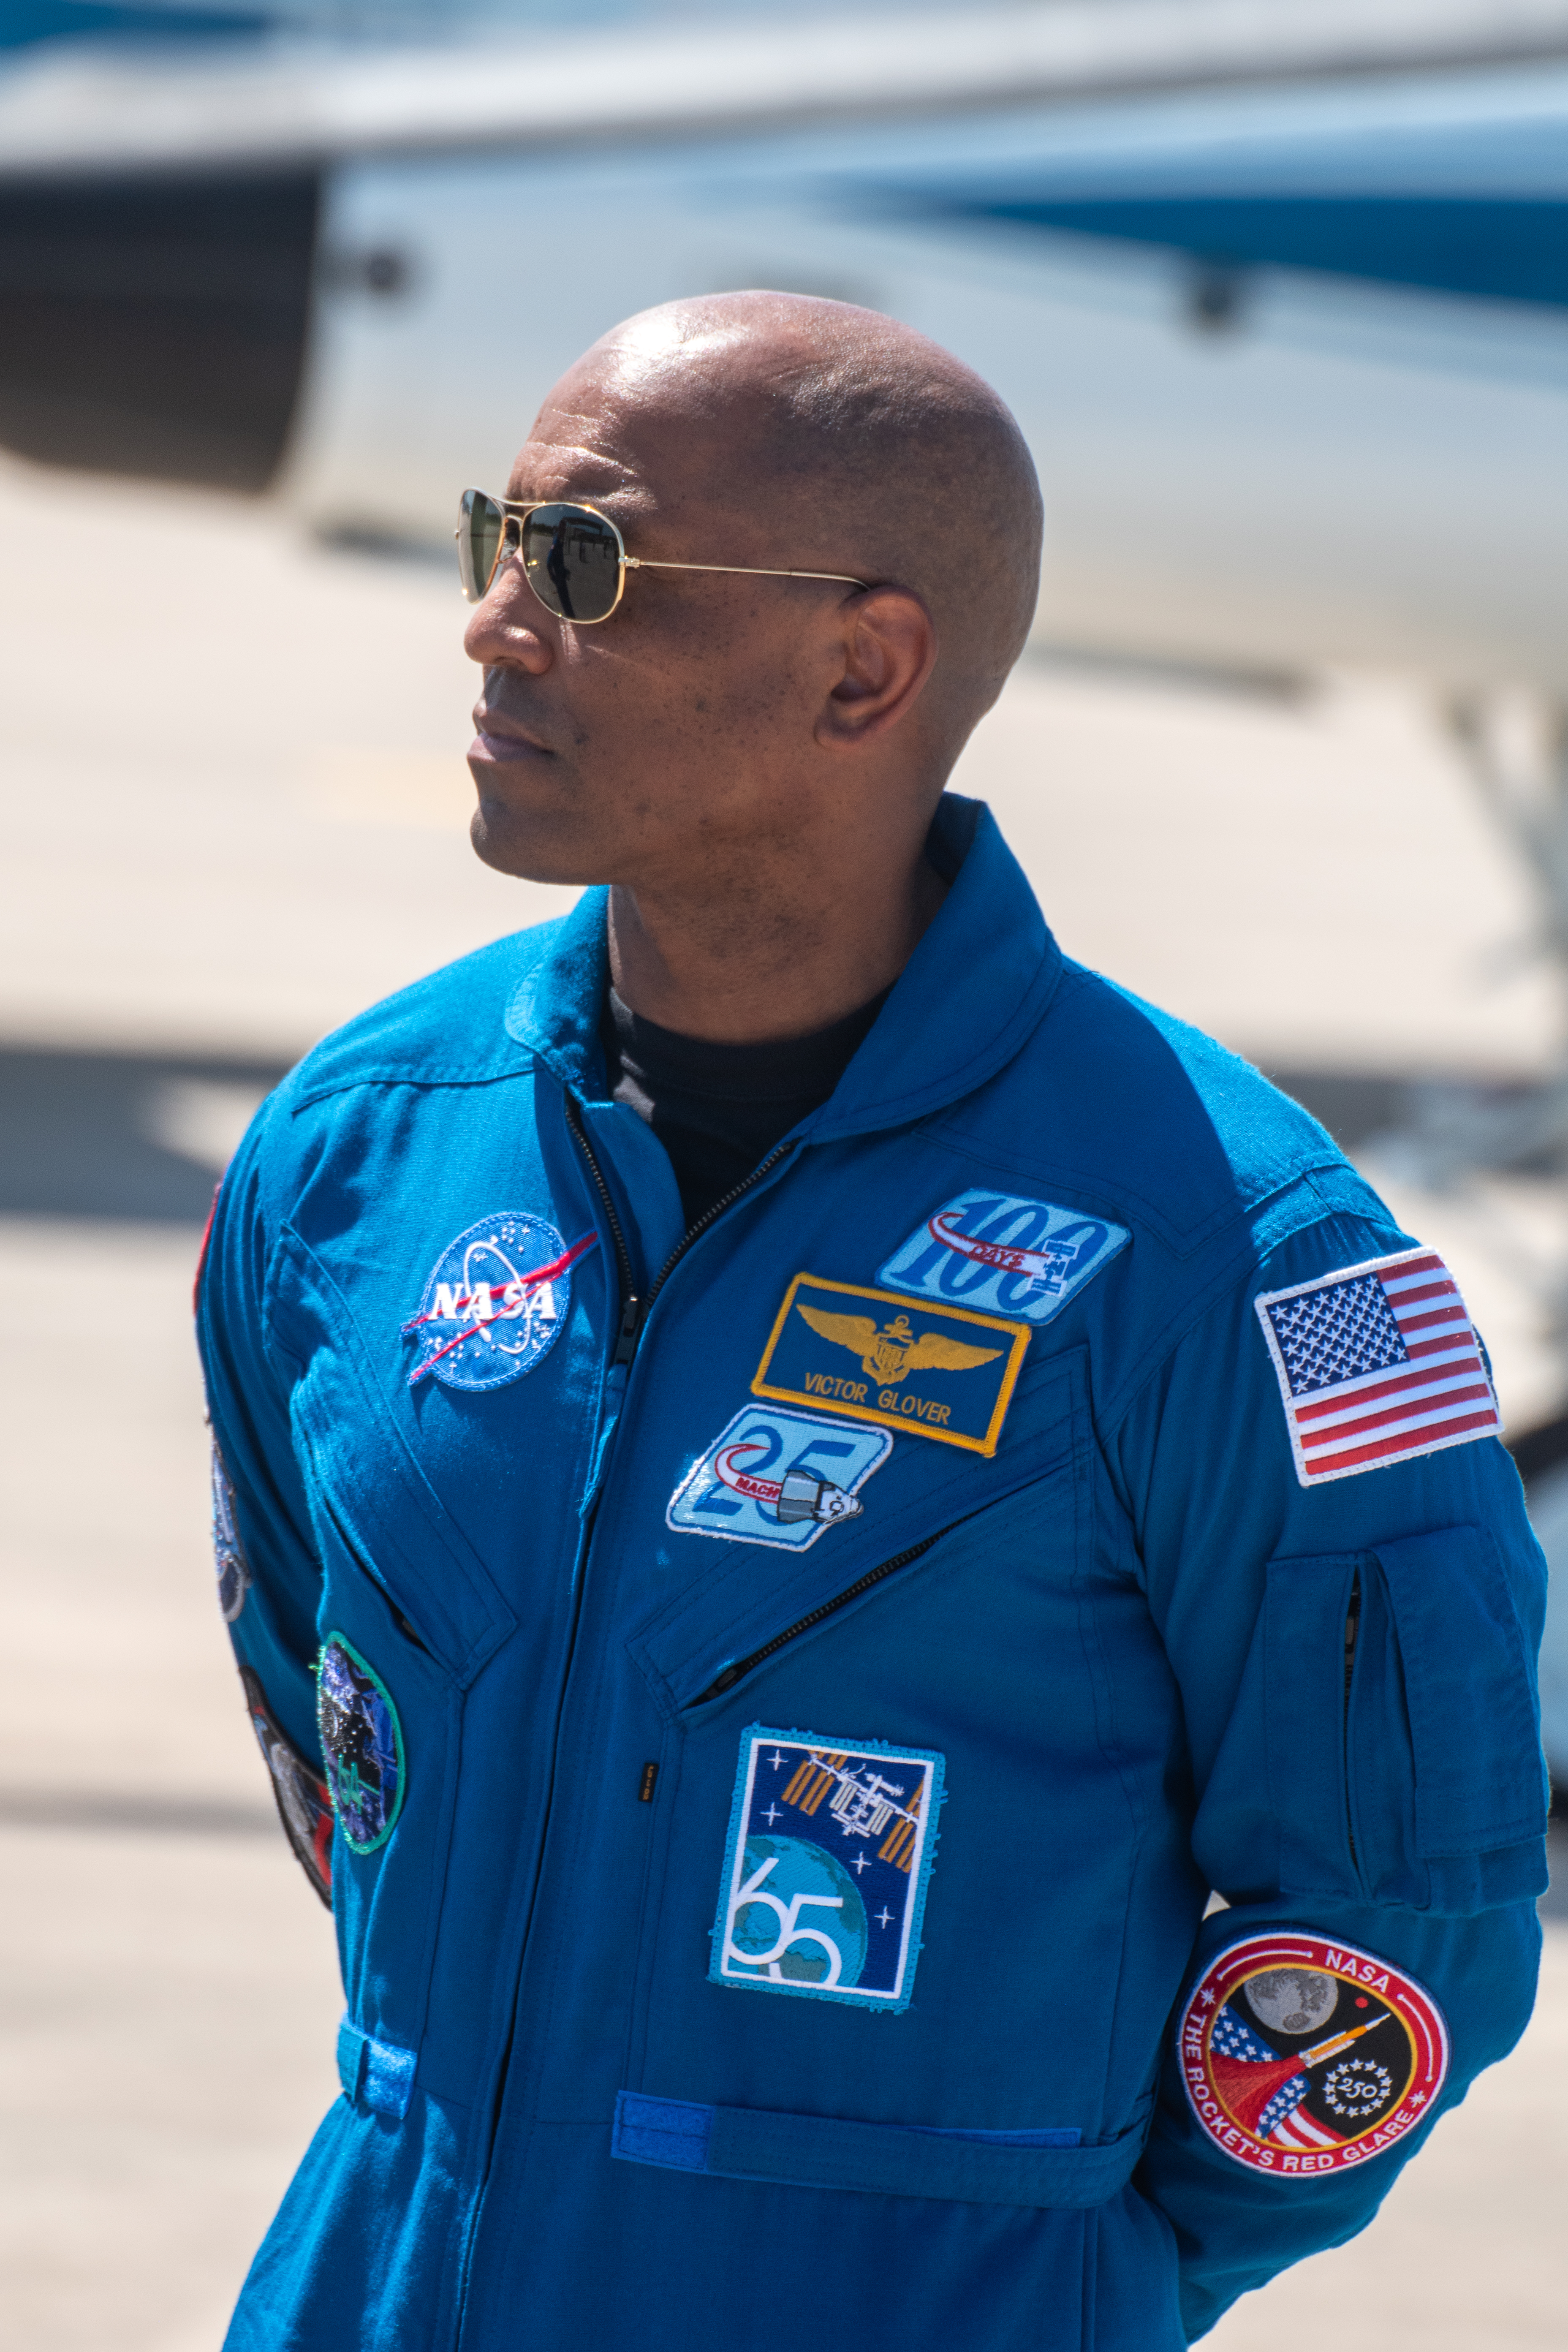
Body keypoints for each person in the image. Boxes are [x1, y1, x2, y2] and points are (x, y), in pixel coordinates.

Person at [196, 293, 1548, 2351]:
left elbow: (1394, 1910)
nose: (491, 624)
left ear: (865, 667)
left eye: (587, 566)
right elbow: (337, 1734)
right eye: (499, 538)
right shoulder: (352, 1150)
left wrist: (1071, 2270)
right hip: (383, 2286)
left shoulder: (1253, 1257)